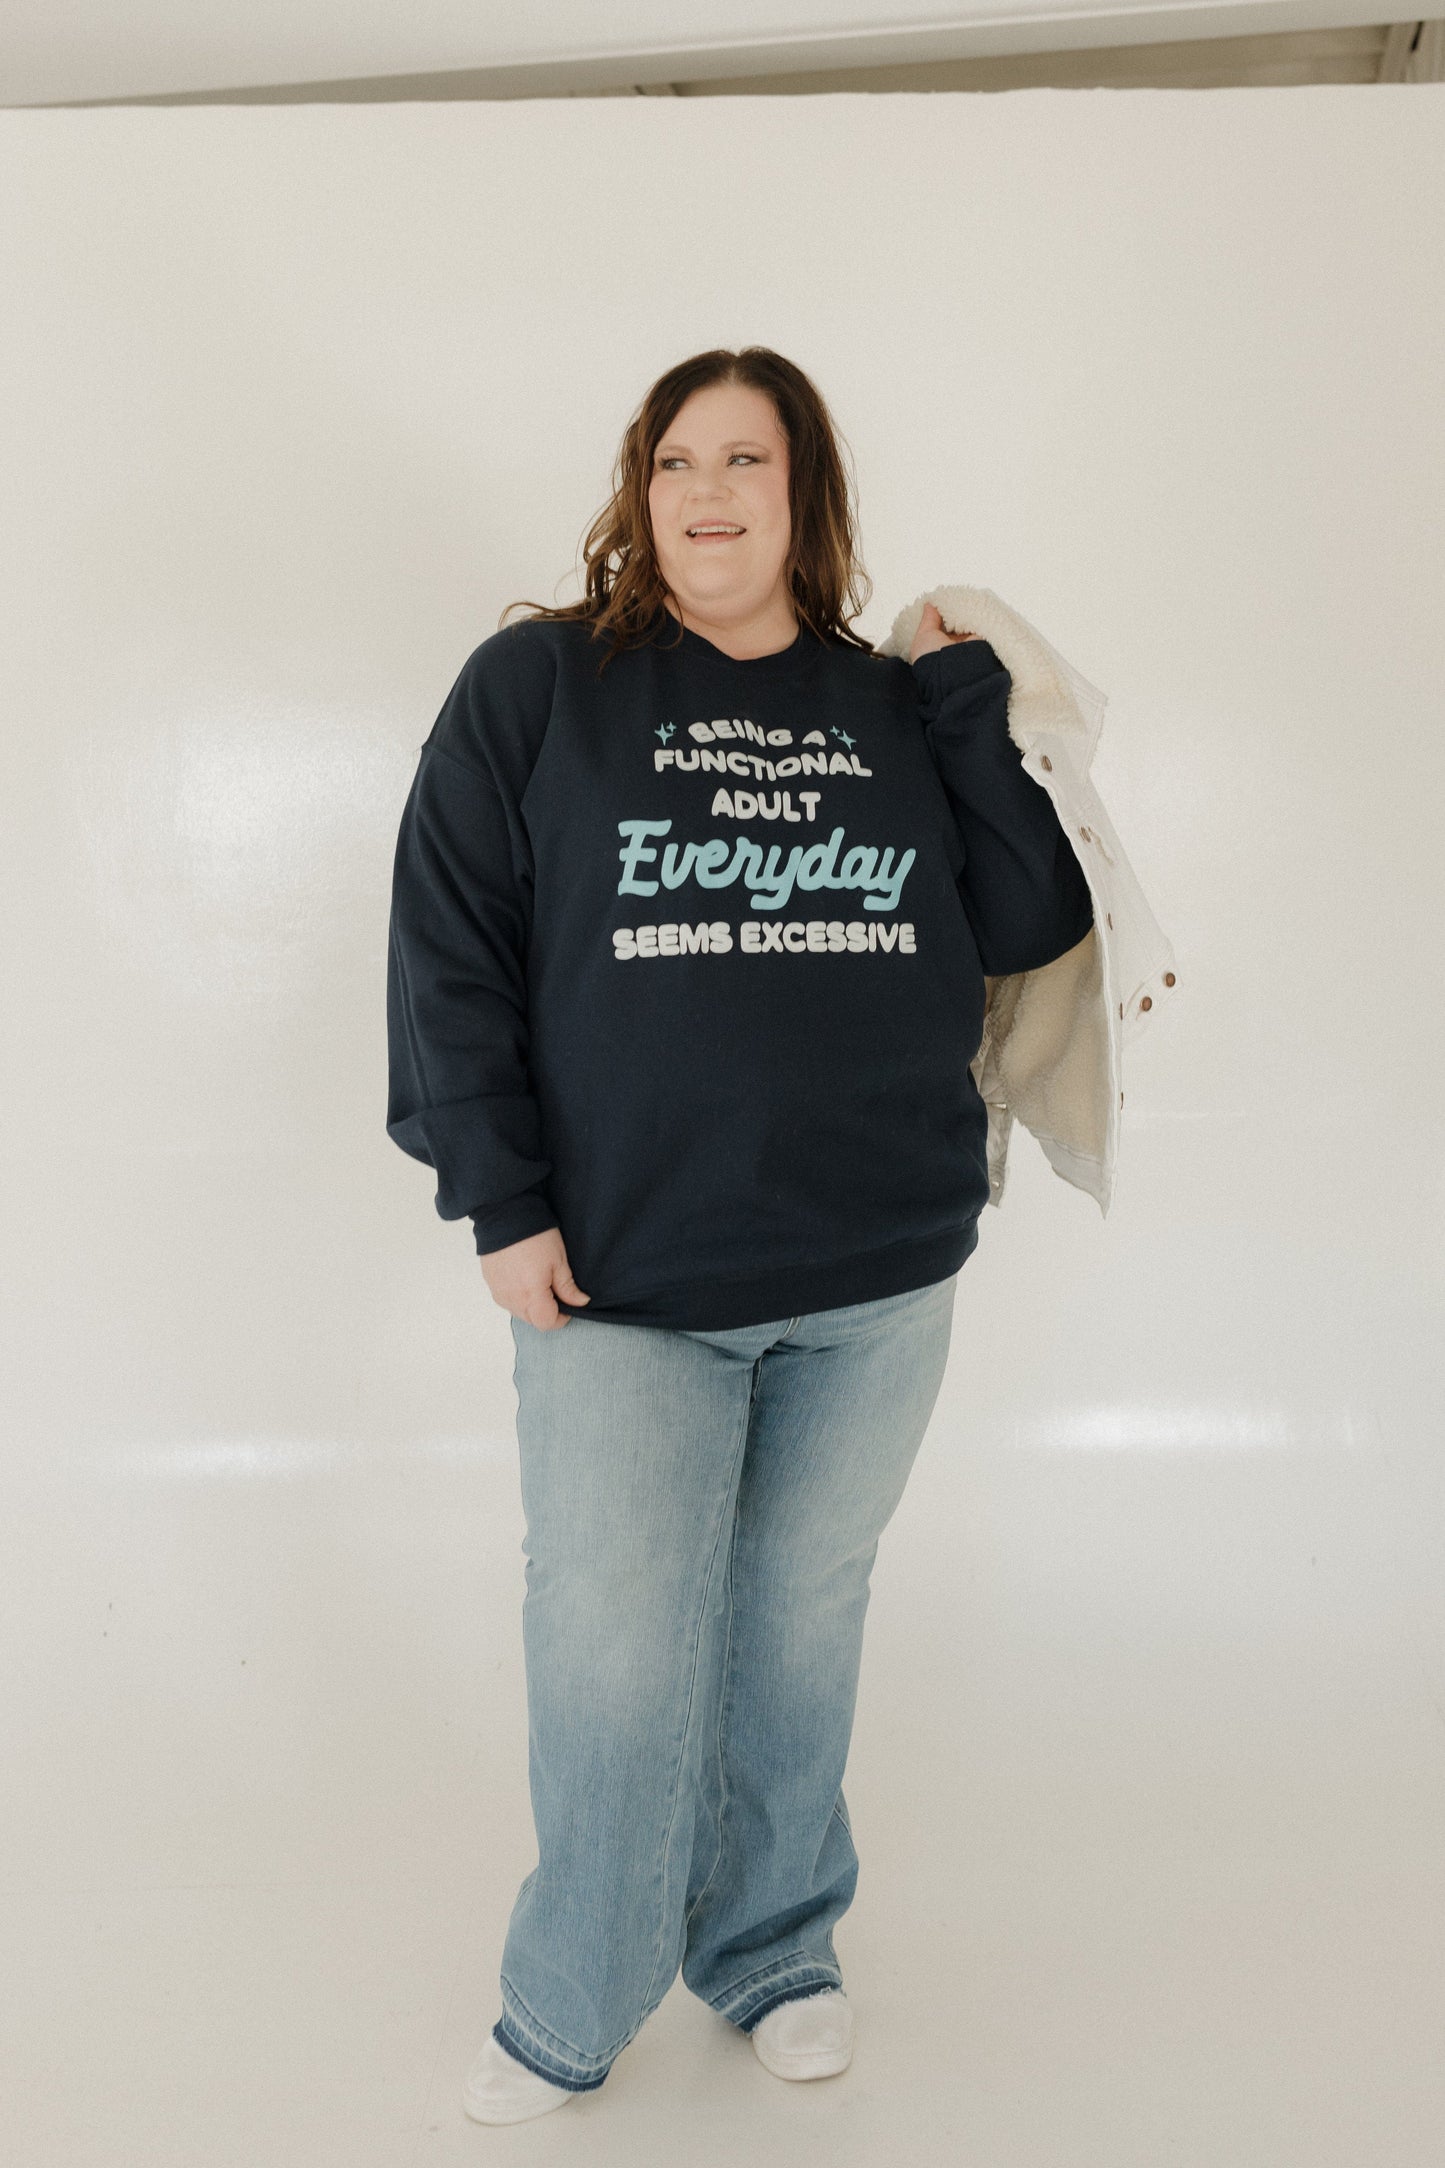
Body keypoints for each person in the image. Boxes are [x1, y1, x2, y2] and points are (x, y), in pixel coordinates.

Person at [385, 346, 1095, 2124]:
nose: (707, 495)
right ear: (639, 489)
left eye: (747, 462)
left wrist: (955, 705)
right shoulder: (539, 687)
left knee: (796, 1633)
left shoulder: (881, 704)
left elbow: (1026, 909)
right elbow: (449, 949)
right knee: (618, 1651)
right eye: (677, 461)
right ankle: (570, 2000)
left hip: (876, 1275)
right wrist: (499, 1194)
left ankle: (775, 1946)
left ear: (805, 495)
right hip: (625, 1280)